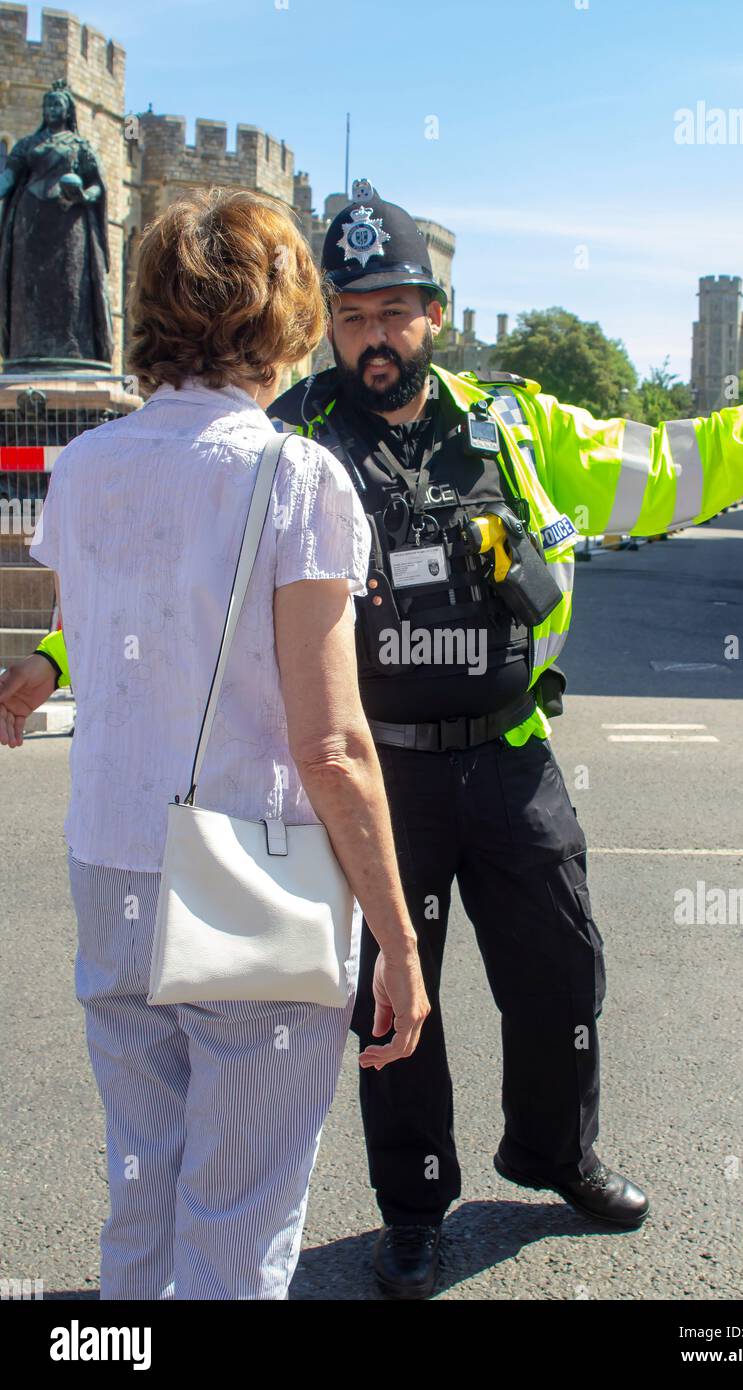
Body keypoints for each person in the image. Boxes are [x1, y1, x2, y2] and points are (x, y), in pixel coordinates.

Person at [6, 182, 743, 1303]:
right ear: (326, 323)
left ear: (433, 314)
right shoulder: (290, 442)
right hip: (373, 769)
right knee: (388, 1011)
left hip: (506, 753)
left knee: (559, 972)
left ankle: (554, 1154)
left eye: (394, 312)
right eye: (352, 314)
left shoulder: (511, 425)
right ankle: (413, 1210)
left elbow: (648, 466)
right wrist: (59, 663)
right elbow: (172, 588)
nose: (373, 336)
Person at [0, 187, 428, 1300]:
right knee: (237, 1216)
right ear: (282, 317)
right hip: (249, 865)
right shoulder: (296, 477)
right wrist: (398, 935)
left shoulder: (84, 469)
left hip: (111, 857)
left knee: (142, 1185)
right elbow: (329, 741)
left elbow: (124, 633)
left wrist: (45, 664)